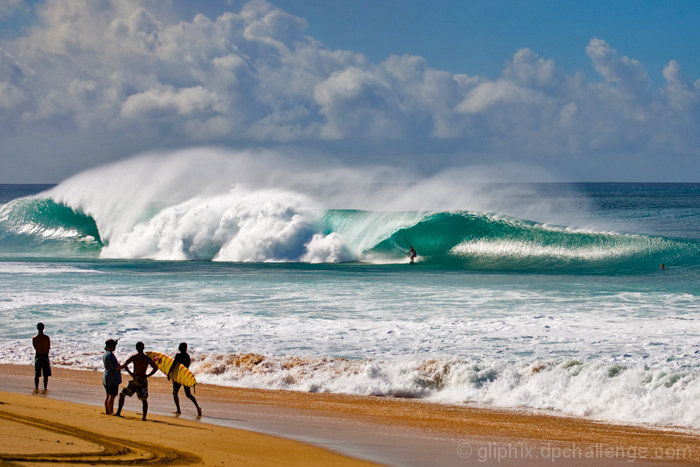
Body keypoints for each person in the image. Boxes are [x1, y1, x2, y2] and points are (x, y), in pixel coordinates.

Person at [115, 342, 158, 421]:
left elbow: (125, 365)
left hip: (136, 379)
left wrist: (131, 373)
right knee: (144, 399)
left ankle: (118, 412)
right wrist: (148, 375)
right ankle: (144, 417)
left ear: (136, 348)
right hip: (143, 380)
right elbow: (155, 368)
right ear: (143, 348)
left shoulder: (134, 357)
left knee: (122, 394)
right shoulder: (146, 358)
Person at [170, 342, 202, 416]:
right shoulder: (188, 356)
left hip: (178, 376)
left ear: (180, 348)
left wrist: (169, 373)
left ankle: (178, 410)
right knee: (188, 394)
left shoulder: (178, 355)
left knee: (175, 393)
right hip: (185, 376)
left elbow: (174, 365)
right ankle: (198, 407)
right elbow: (187, 366)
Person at [103, 339, 121, 414]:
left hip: (107, 377)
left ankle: (107, 411)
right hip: (112, 378)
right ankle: (111, 411)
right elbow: (115, 367)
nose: (115, 347)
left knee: (108, 395)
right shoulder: (110, 355)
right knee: (112, 396)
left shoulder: (105, 354)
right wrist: (121, 366)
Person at [32, 323, 51, 391]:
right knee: (45, 375)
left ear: (37, 328)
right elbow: (48, 348)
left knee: (37, 375)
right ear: (43, 328)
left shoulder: (34, 338)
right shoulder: (46, 338)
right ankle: (45, 387)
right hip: (45, 356)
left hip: (38, 356)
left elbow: (35, 347)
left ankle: (36, 387)